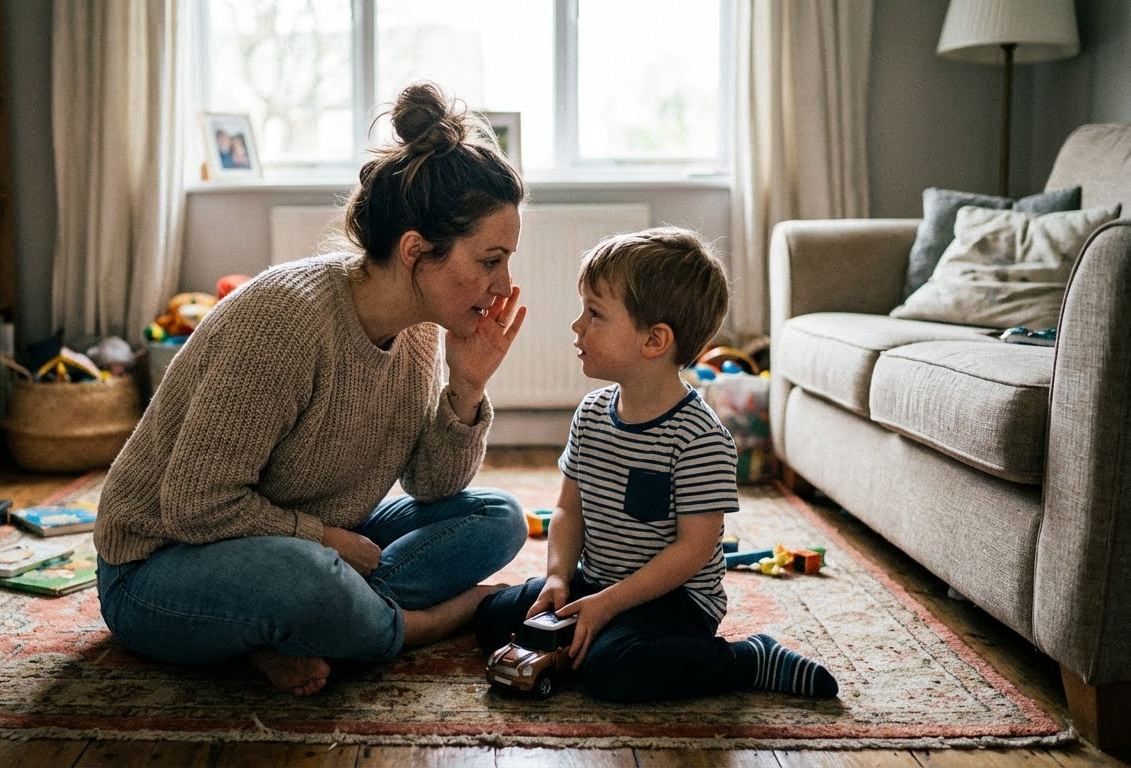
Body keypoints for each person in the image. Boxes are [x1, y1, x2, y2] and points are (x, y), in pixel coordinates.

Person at [95, 81, 529, 697]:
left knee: (498, 518)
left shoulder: (420, 334)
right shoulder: (286, 322)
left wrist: (466, 386)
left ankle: (302, 627)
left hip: (312, 538)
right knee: (309, 576)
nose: (503, 283)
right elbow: (194, 504)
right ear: (415, 252)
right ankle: (412, 624)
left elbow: (431, 488)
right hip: (158, 566)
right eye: (490, 260)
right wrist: (326, 541)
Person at [474, 227, 839, 702]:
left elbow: (692, 551)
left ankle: (747, 659)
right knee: (492, 620)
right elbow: (568, 511)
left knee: (614, 671)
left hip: (674, 600)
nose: (577, 326)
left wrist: (608, 605)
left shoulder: (700, 437)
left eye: (595, 313)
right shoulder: (591, 413)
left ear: (654, 340)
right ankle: (580, 638)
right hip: (598, 581)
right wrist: (561, 577)